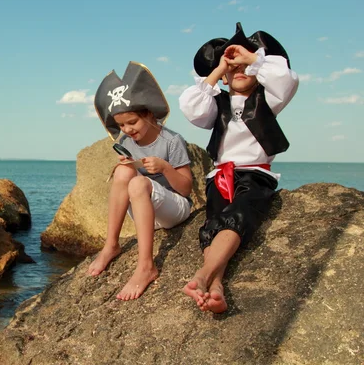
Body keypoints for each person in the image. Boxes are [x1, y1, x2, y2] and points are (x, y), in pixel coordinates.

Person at [179, 23, 299, 313]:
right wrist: (220, 68)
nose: (240, 71)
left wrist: (251, 59)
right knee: (213, 224)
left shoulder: (267, 99)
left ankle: (204, 275)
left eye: (245, 65)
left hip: (255, 174)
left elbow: (288, 80)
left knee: (240, 215)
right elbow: (191, 108)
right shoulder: (215, 103)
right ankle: (217, 287)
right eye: (233, 68)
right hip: (219, 176)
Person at [89, 61, 193, 301]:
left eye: (132, 122)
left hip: (175, 209)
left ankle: (146, 266)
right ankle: (111, 245)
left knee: (137, 183)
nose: (127, 129)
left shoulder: (171, 141)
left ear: (148, 114)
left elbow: (186, 189)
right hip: (144, 212)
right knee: (123, 173)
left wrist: (165, 168)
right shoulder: (127, 143)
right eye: (121, 125)